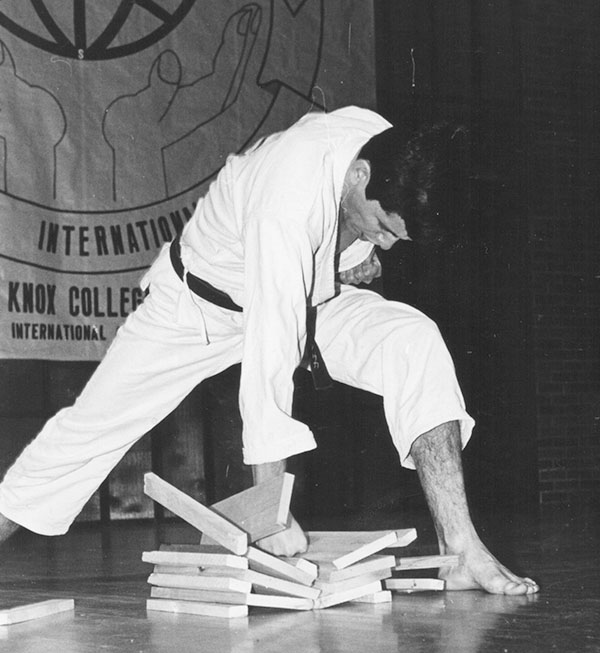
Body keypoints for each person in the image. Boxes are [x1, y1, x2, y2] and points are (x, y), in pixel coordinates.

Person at [0, 106, 538, 595]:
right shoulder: (288, 193)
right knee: (91, 428)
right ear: (359, 176)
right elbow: (272, 347)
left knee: (413, 339)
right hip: (195, 309)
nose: (388, 243)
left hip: (311, 298)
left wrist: (351, 255)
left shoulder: (388, 148)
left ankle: (461, 548)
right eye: (381, 227)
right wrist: (270, 509)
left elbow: (311, 281)